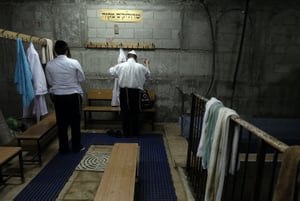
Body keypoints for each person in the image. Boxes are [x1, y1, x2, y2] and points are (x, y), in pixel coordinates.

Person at [45, 40, 85, 153]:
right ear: (67, 50)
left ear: (55, 51)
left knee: (61, 123)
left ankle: (63, 148)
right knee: (75, 122)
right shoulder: (74, 62)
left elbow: (50, 81)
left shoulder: (50, 64)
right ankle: (76, 147)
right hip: (73, 95)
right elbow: (81, 78)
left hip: (58, 96)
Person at [109, 50, 151, 137]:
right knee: (135, 112)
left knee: (125, 112)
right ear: (136, 58)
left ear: (127, 57)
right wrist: (147, 64)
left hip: (124, 92)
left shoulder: (121, 66)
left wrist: (119, 64)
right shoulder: (141, 66)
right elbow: (148, 75)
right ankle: (135, 133)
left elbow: (111, 71)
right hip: (136, 93)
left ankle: (126, 133)